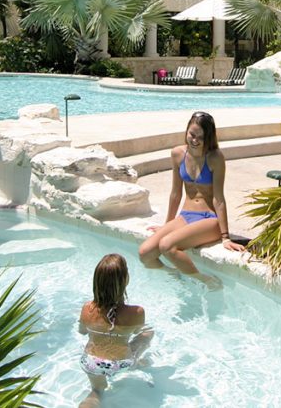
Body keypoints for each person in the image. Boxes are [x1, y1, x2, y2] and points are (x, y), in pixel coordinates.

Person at [138, 111, 246, 283]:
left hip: (209, 219)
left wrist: (225, 237)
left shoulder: (215, 158)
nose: (195, 140)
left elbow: (219, 199)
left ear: (208, 138)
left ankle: (207, 281)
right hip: (186, 216)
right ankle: (175, 274)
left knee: (167, 245)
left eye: (200, 137)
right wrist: (167, 225)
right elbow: (175, 193)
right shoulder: (177, 154)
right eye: (192, 135)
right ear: (186, 131)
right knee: (145, 253)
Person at [78, 253, 154, 408]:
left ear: (96, 281)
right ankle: (136, 363)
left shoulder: (87, 308)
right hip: (120, 363)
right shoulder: (137, 312)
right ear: (125, 280)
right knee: (148, 333)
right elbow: (137, 332)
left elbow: (82, 331)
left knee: (96, 391)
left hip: (91, 361)